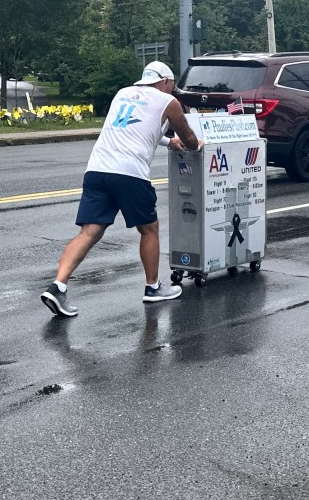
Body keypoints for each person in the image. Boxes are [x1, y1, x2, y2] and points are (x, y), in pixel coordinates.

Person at [41, 60, 202, 317]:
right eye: (172, 85)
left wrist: (168, 142)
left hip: (97, 169)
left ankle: (58, 286)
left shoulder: (123, 93)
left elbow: (134, 126)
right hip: (129, 173)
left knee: (89, 231)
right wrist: (195, 145)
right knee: (149, 228)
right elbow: (189, 137)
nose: (173, 90)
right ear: (164, 81)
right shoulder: (168, 102)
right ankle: (153, 288)